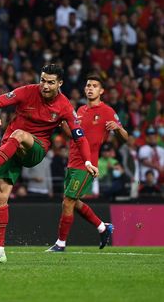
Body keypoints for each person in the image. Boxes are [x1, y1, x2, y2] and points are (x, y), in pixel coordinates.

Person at [0, 64, 97, 264]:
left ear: (60, 83)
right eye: (43, 80)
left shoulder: (64, 106)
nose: (45, 85)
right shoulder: (27, 91)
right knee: (0, 195)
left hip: (35, 148)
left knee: (18, 134)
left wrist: (88, 161)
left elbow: (79, 137)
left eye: (50, 82)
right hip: (10, 147)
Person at [47, 74, 128, 252]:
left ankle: (60, 244)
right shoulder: (80, 111)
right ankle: (102, 227)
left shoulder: (107, 111)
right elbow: (75, 137)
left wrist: (118, 128)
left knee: (68, 202)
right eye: (88, 85)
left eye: (94, 86)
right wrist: (63, 125)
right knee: (73, 202)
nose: (90, 88)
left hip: (87, 165)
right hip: (72, 162)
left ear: (101, 91)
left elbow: (125, 138)